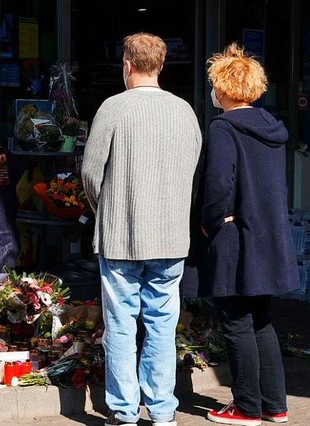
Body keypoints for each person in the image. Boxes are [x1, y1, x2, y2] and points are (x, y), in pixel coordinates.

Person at [82, 32, 202, 426]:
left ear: (127, 65)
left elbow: (90, 174)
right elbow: (192, 172)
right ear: (161, 65)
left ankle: (124, 412)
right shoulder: (185, 110)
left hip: (122, 237)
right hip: (170, 235)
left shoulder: (114, 108)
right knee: (162, 327)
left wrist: (107, 211)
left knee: (119, 327)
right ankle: (164, 411)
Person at [192, 43, 300, 425]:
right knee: (261, 320)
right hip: (267, 237)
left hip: (234, 238)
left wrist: (209, 220)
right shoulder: (272, 130)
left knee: (236, 321)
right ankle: (275, 405)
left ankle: (247, 407)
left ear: (222, 88)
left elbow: (219, 182)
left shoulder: (224, 128)